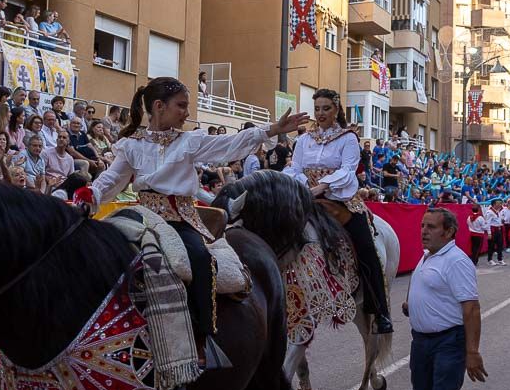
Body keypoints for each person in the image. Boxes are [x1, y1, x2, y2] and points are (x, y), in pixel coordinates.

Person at [82, 77, 307, 367]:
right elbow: (113, 179)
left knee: (200, 258)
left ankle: (202, 338)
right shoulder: (131, 145)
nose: (186, 113)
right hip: (143, 217)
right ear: (159, 106)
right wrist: (92, 193)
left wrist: (271, 130)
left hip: (180, 219)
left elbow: (229, 145)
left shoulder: (189, 141)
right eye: (182, 106)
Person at [282, 88, 393, 332]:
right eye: (318, 108)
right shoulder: (304, 140)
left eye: (326, 108)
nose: (321, 113)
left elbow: (347, 170)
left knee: (366, 249)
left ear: (336, 110)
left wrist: (323, 186)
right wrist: (304, 187)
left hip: (341, 201)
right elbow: (295, 169)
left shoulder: (348, 138)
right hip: (308, 199)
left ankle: (381, 312)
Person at [404, 208, 486, 390]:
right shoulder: (427, 255)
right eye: (422, 225)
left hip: (449, 342)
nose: (424, 231)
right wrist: (411, 304)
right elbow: (428, 287)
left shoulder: (456, 261)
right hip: (422, 341)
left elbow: (471, 307)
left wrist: (472, 352)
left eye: (431, 226)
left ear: (449, 231)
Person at [483, 201, 505, 266]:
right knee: (491, 246)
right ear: (494, 204)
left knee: (500, 245)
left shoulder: (498, 211)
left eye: (500, 203)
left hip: (498, 229)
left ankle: (500, 259)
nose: (500, 205)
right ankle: (490, 259)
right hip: (493, 230)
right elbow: (487, 223)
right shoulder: (489, 212)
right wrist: (489, 233)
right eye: (498, 203)